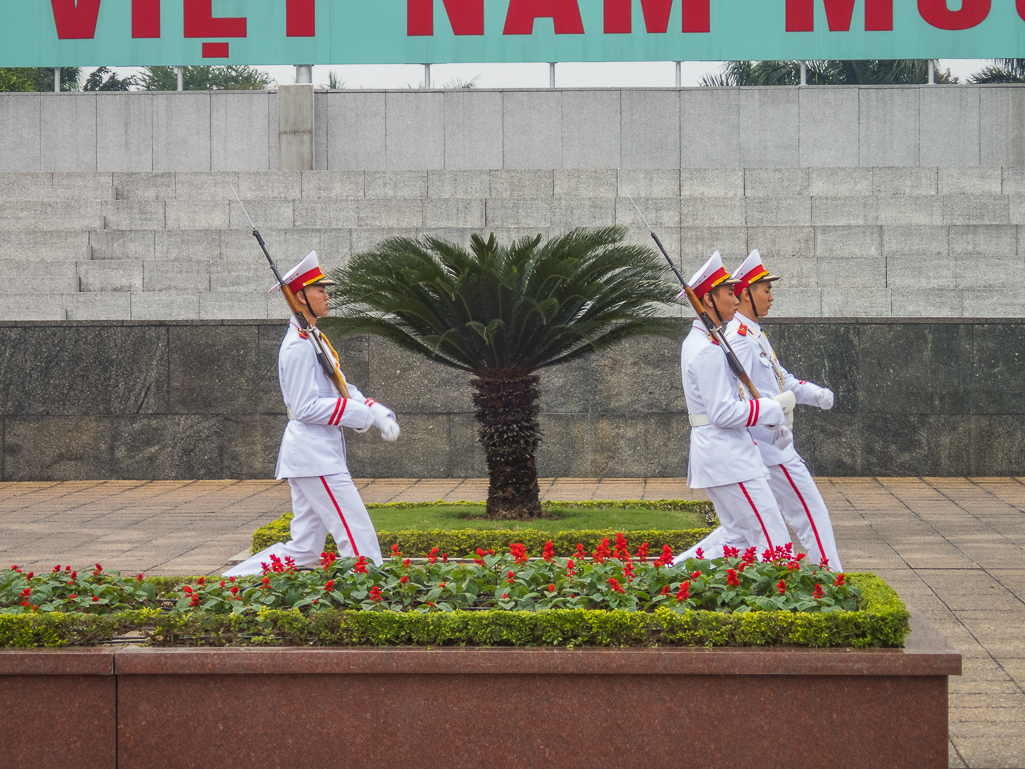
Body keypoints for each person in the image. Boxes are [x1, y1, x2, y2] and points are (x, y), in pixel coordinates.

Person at [224, 252, 399, 577]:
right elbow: (305, 408)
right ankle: (375, 598)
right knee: (358, 536)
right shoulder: (298, 346)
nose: (327, 295)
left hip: (314, 455)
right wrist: (361, 416)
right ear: (300, 297)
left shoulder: (313, 338)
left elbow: (340, 387)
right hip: (314, 456)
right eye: (320, 290)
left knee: (304, 549)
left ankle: (228, 583)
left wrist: (376, 411)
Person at [672, 252, 795, 566]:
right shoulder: (707, 350)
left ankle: (668, 576)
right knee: (775, 544)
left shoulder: (705, 341)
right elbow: (723, 413)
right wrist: (767, 410)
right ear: (709, 300)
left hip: (724, 455)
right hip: (728, 459)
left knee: (738, 541)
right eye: (729, 292)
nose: (737, 300)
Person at [724, 249, 844, 570]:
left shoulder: (755, 334)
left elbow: (781, 381)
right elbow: (735, 397)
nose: (771, 297)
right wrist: (769, 420)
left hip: (770, 445)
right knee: (811, 512)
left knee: (738, 536)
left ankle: (675, 573)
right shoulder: (740, 339)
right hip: (769, 448)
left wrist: (813, 393)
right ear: (747, 293)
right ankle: (832, 580)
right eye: (766, 289)